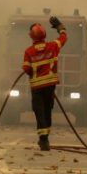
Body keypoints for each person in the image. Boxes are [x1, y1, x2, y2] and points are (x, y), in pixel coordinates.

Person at [22, 16, 67, 151]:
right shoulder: (52, 46)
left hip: (37, 87)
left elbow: (26, 69)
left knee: (39, 112)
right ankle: (45, 139)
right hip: (50, 86)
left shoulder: (29, 51)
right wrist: (60, 27)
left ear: (31, 36)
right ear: (44, 35)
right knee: (47, 111)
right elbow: (64, 38)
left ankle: (43, 140)